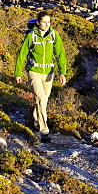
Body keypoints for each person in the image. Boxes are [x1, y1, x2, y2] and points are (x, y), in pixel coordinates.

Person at [15, 10, 67, 142]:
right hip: (34, 71)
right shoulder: (31, 36)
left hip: (49, 72)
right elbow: (22, 55)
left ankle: (36, 120)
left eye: (49, 22)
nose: (47, 25)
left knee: (44, 99)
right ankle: (44, 131)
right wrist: (18, 73)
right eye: (44, 22)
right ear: (38, 23)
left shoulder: (54, 35)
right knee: (41, 98)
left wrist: (62, 72)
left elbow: (60, 54)